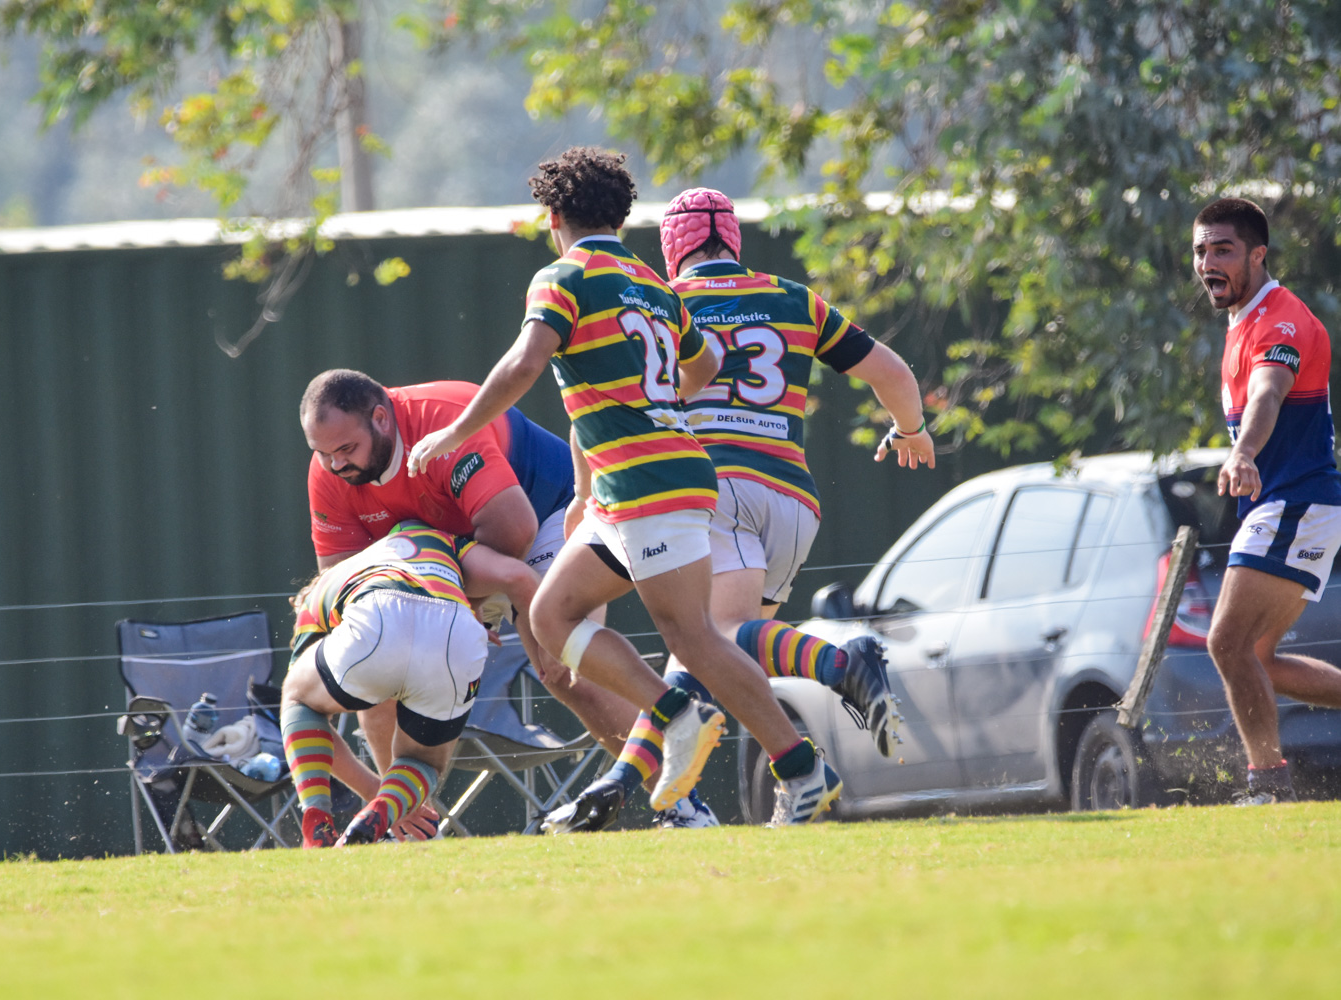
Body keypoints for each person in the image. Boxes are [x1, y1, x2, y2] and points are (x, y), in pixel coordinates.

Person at [408, 146, 837, 831]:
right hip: (635, 486)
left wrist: (457, 431)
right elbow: (706, 364)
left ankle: (799, 767)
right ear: (621, 215)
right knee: (551, 618)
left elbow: (525, 363)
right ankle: (678, 715)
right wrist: (647, 410)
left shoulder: (564, 276)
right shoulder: (652, 284)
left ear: (554, 217)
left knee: (695, 639)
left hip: (648, 484)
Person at [562, 187, 934, 830]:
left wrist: (583, 493)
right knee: (707, 660)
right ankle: (636, 786)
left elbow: (605, 406)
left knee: (713, 639)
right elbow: (894, 374)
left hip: (707, 491)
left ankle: (842, 663)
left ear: (671, 246)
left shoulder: (658, 300)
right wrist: (911, 431)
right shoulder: (794, 299)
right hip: (792, 502)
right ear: (733, 239)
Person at [299, 371, 640, 772]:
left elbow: (514, 531)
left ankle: (672, 786)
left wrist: (464, 603)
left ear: (380, 418)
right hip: (456, 557)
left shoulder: (440, 421)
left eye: (346, 449)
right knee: (375, 676)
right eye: (322, 453)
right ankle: (405, 809)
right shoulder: (328, 471)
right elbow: (347, 584)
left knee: (567, 666)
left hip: (548, 513)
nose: (336, 464)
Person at [1193, 196, 1341, 805]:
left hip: (1297, 502)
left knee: (1226, 643)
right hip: (1289, 505)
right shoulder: (1242, 321)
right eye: (1201, 250)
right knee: (1256, 656)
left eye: (1223, 249)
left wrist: (1244, 452)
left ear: (1258, 254)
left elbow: (1268, 394)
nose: (1208, 263)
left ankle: (1267, 786)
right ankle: (1268, 783)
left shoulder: (1280, 320)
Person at [280, 521, 545, 846]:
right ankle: (382, 811)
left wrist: (370, 787)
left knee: (297, 698)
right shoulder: (443, 540)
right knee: (424, 761)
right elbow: (513, 574)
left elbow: (305, 722)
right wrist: (547, 649)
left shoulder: (317, 596)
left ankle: (318, 823)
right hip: (457, 630)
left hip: (378, 613)